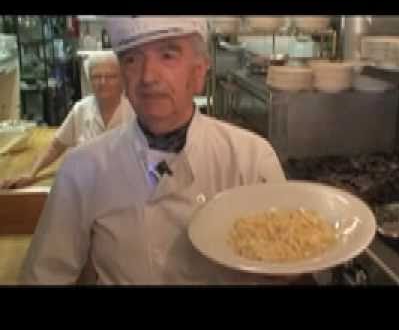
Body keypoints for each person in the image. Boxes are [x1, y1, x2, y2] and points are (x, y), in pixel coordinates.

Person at [19, 17, 287, 285]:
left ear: (198, 73)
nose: (147, 76)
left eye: (168, 55)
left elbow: (284, 258)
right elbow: (43, 277)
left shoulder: (251, 159)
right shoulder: (82, 169)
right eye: (132, 60)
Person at [0, 53, 134, 190]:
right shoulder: (81, 109)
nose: (102, 82)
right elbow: (56, 146)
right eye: (96, 77)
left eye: (111, 76)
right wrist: (31, 173)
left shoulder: (136, 112)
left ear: (122, 80)